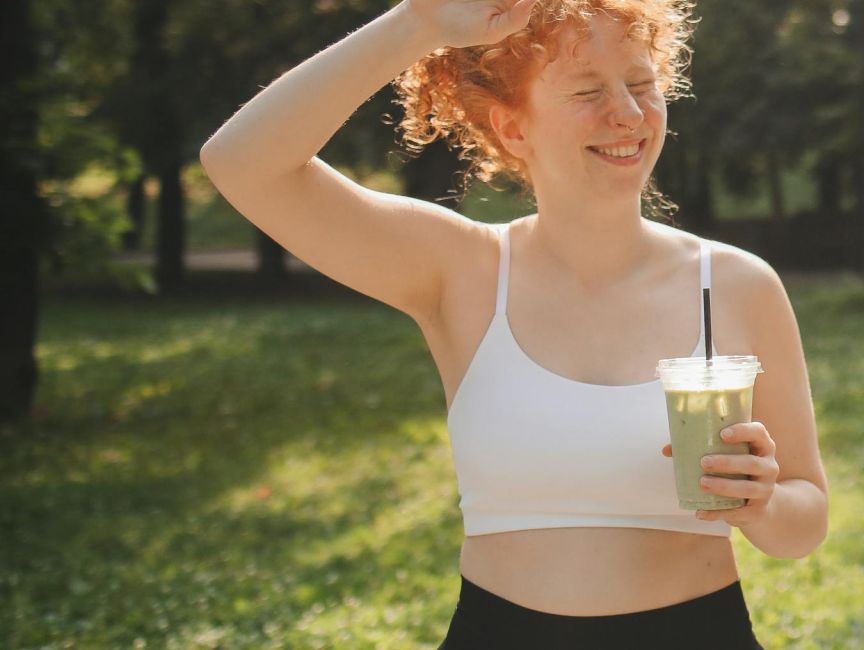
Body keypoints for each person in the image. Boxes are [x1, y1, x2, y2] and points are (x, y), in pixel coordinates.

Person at [199, 1, 827, 646]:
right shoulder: (462, 271)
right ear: (512, 129)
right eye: (588, 91)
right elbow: (242, 163)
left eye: (642, 85)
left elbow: (806, 518)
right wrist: (417, 22)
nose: (629, 114)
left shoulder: (736, 284)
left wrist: (765, 503)